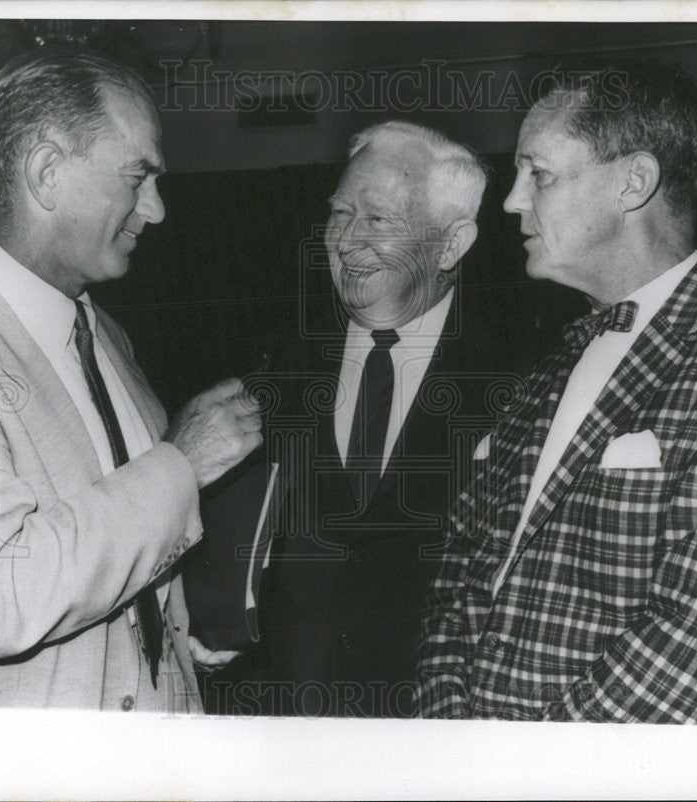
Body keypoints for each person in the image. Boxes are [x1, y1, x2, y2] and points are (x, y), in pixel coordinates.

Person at [0, 48, 262, 712]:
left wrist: (191, 628)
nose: (155, 210)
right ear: (46, 173)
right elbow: (3, 600)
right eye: (137, 177)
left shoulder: (107, 337)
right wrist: (182, 461)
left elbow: (124, 554)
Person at [417, 61, 697, 723]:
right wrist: (446, 744)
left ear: (634, 182)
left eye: (537, 173)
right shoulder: (541, 373)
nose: (511, 201)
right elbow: (459, 580)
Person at [214, 121, 511, 717]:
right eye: (339, 213)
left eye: (376, 220)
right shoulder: (274, 360)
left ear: (451, 244)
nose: (346, 241)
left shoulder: (519, 378)